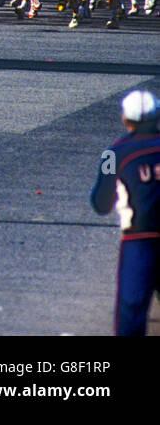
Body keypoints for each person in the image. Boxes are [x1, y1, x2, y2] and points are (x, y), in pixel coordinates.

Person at [90, 89, 160, 336]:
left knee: (131, 311)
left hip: (138, 240)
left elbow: (101, 204)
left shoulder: (114, 153)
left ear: (125, 119)